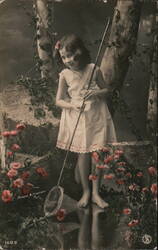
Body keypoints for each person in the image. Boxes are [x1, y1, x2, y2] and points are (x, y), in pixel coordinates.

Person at [54, 34, 116, 208]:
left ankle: (96, 193)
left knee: (97, 155)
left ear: (79, 52)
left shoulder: (93, 69)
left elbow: (107, 90)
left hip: (96, 115)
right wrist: (72, 106)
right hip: (77, 117)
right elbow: (58, 100)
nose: (67, 60)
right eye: (63, 57)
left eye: (70, 56)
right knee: (83, 154)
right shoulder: (65, 74)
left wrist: (96, 93)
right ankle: (86, 192)